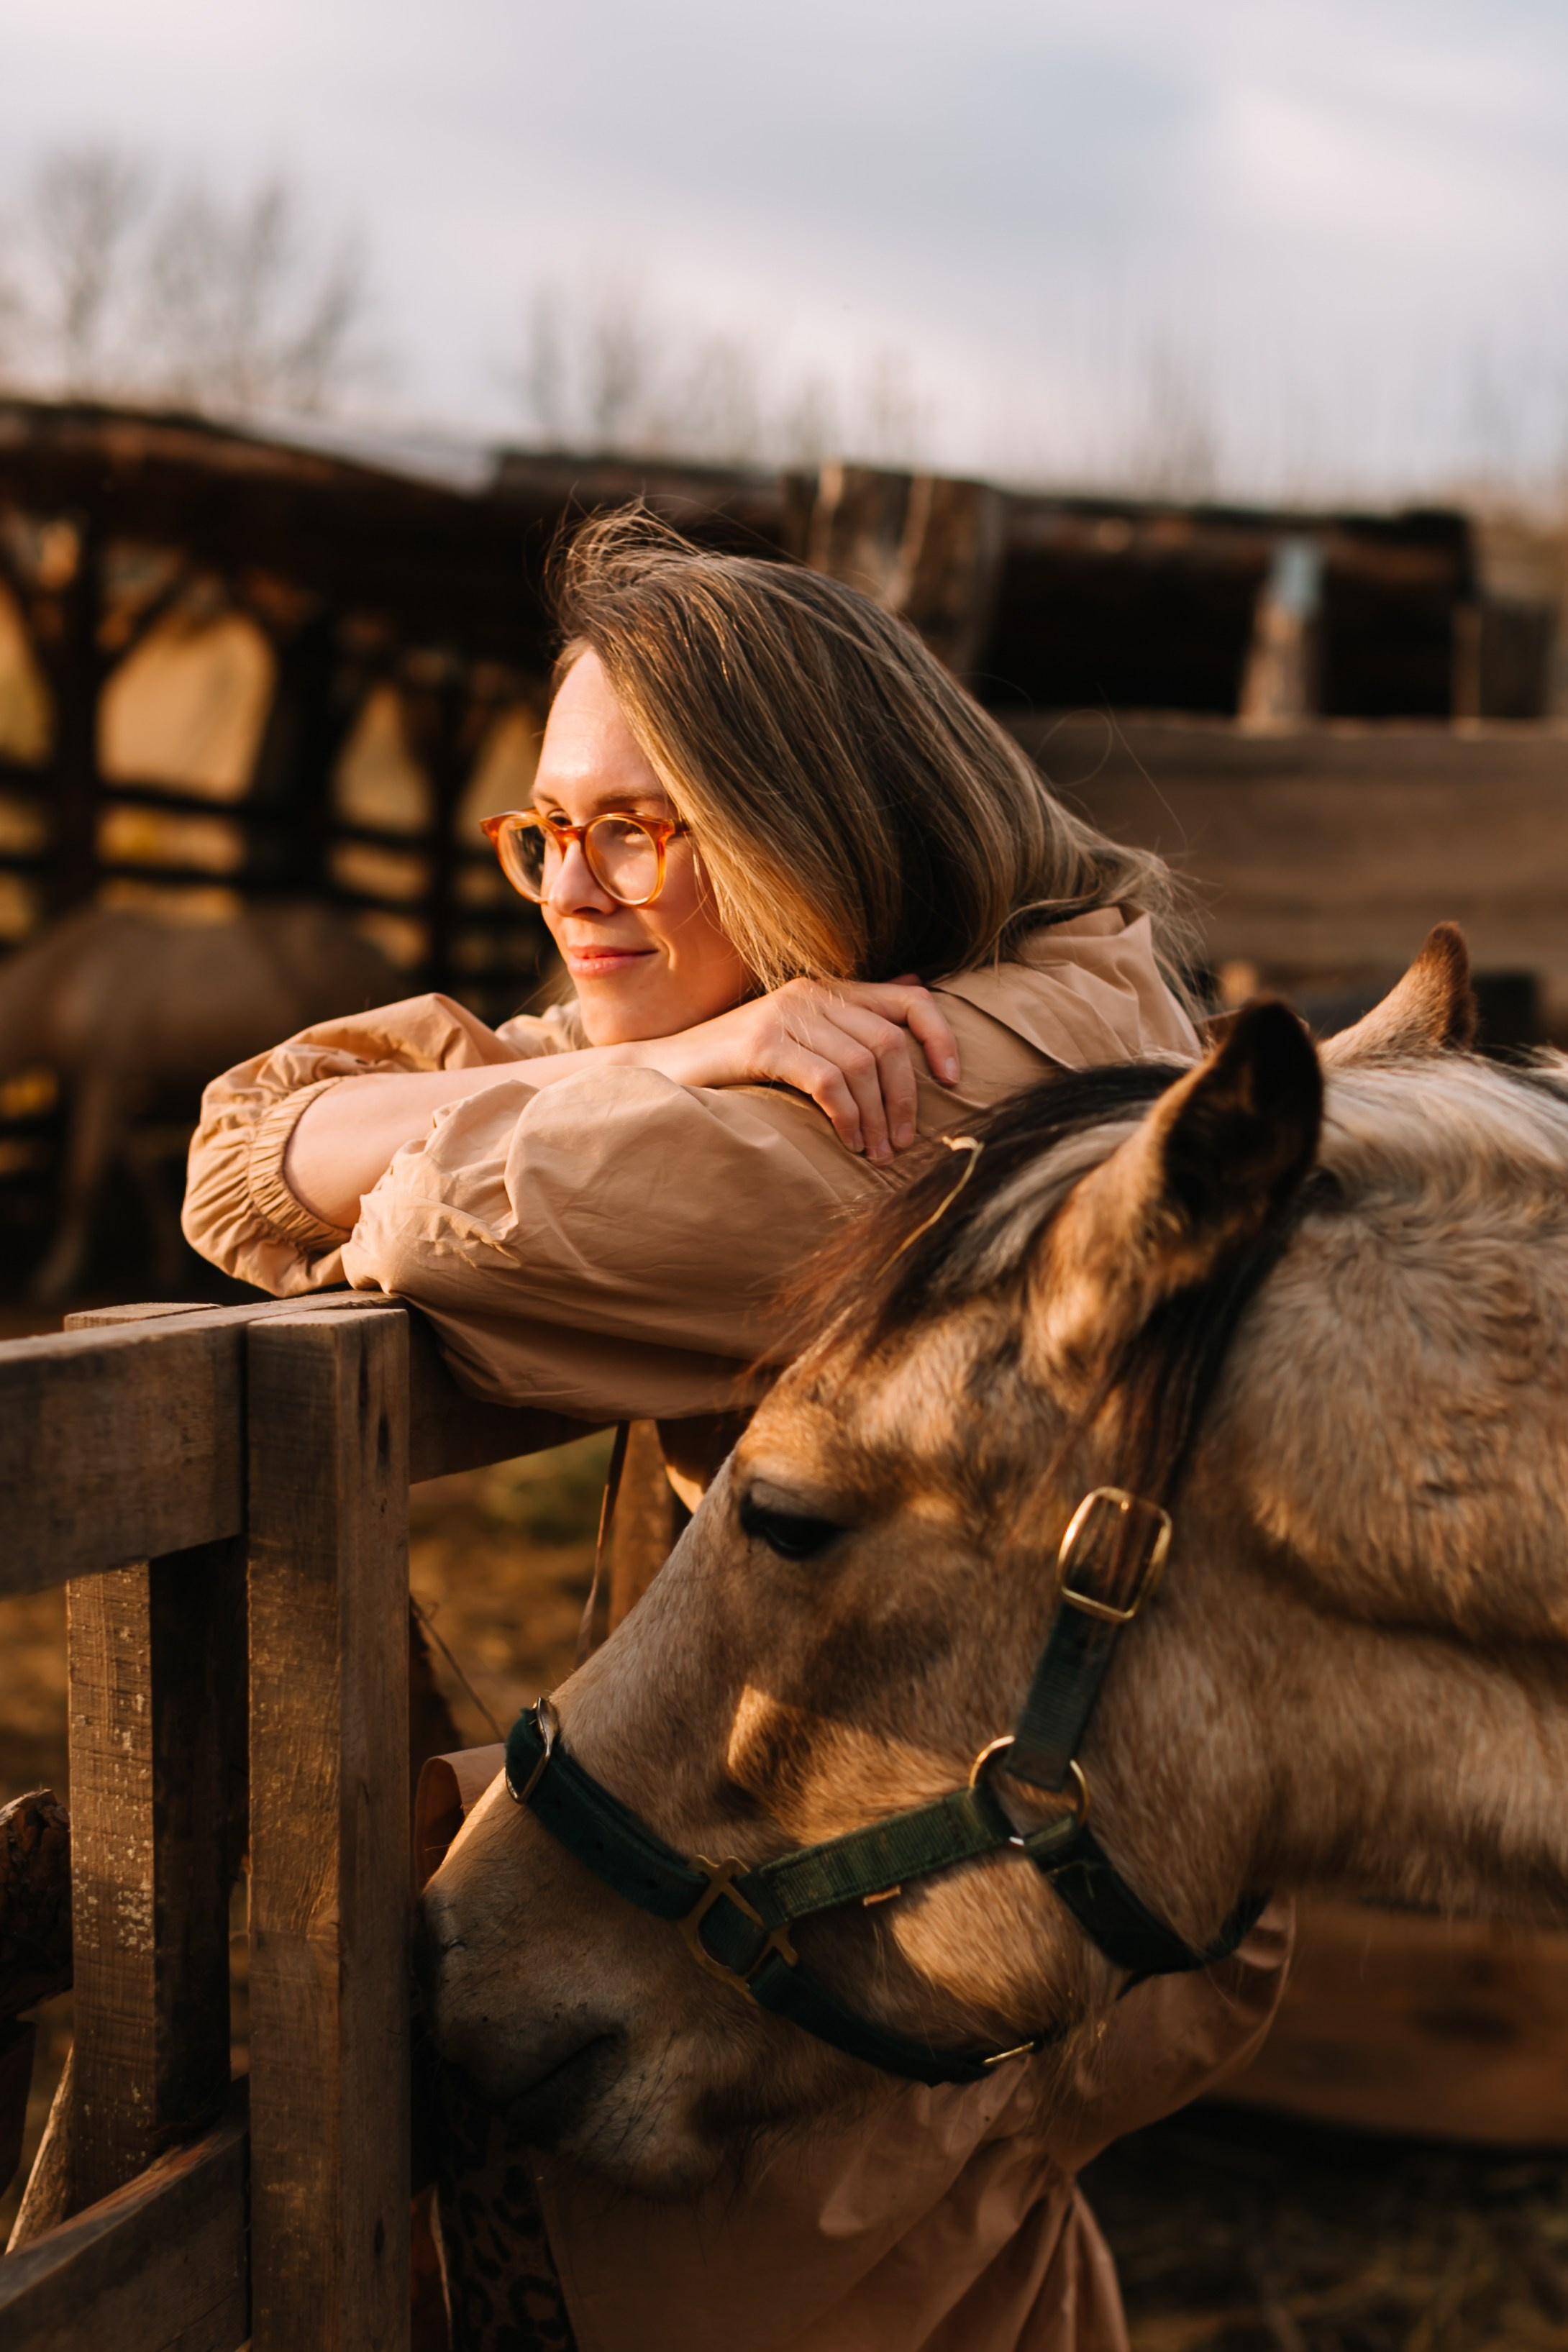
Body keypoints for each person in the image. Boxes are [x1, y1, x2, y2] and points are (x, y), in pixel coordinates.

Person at [182, 508, 1287, 2352]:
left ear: (813, 823)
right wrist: (657, 1060)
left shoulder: (875, 1108)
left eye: (636, 824)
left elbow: (373, 1204)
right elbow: (243, 1143)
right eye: (544, 827)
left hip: (931, 1844)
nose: (567, 885)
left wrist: (601, 1093)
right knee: (975, 2279)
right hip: (1015, 1829)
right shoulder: (1013, 998)